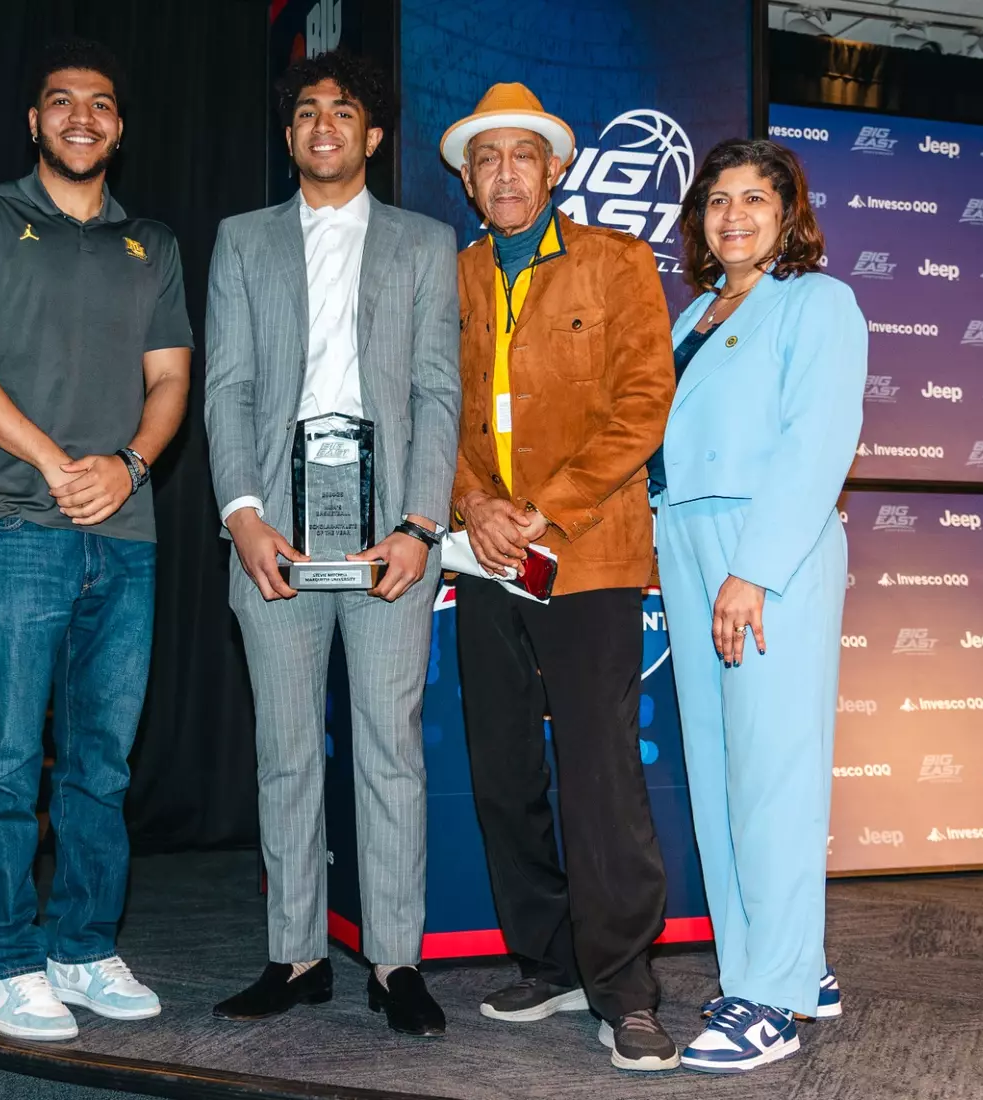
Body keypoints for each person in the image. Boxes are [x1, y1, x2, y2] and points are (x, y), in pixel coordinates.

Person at [0, 38, 192, 1041]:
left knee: (101, 764)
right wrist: (56, 461)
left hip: (126, 534)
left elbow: (172, 379)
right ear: (34, 122)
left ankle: (82, 946)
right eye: (62, 101)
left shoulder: (152, 243)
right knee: (3, 758)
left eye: (102, 103)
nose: (83, 115)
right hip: (14, 526)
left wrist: (128, 465)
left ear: (120, 128)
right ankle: (5, 959)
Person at [203, 52, 460, 1036]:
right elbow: (227, 386)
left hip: (392, 534)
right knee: (285, 751)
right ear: (289, 136)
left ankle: (397, 962)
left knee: (390, 749)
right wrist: (242, 515)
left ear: (374, 136)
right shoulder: (242, 240)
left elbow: (438, 391)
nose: (323, 125)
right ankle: (298, 954)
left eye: (343, 111)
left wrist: (421, 523)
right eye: (307, 111)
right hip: (274, 530)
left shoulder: (424, 242)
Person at [440, 83, 679, 1072]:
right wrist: (474, 505)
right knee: (502, 768)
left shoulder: (617, 263)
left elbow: (645, 401)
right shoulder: (452, 275)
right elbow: (430, 407)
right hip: (487, 554)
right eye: (486, 158)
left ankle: (625, 987)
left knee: (599, 772)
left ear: (555, 169)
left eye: (522, 155)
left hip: (587, 549)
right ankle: (549, 959)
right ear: (468, 180)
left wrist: (546, 507)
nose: (504, 173)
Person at [651, 138, 866, 1073]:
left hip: (765, 546)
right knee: (719, 770)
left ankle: (768, 1001)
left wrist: (754, 569)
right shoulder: (693, 315)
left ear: (788, 216)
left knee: (772, 773)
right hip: (686, 540)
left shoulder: (818, 302)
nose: (733, 216)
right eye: (717, 200)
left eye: (754, 199)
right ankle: (781, 964)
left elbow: (819, 441)